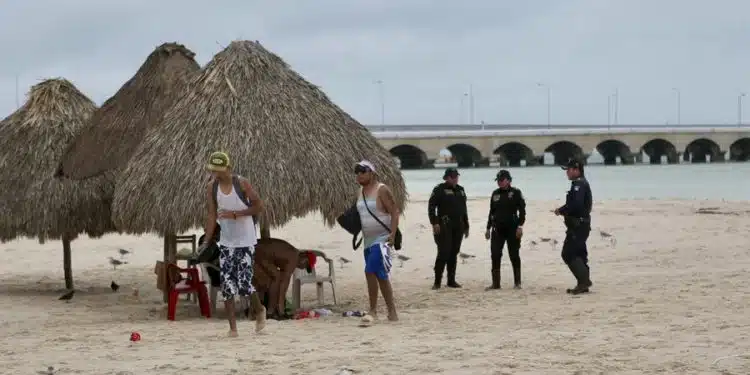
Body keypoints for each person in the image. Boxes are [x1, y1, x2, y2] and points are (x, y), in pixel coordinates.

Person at [202, 151, 266, 337]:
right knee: (227, 285)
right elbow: (212, 214)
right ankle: (233, 328)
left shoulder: (242, 183)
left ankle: (259, 309)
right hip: (227, 241)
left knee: (244, 283)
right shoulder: (211, 187)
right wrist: (207, 240)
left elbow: (258, 206)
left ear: (228, 168)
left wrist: (236, 214)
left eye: (219, 170)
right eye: (213, 170)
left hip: (246, 240)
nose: (216, 174)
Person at [354, 160, 399, 321]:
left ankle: (373, 310)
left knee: (369, 271)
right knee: (380, 275)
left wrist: (392, 235)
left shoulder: (382, 189)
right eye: (357, 172)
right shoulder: (359, 192)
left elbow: (394, 211)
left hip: (381, 239)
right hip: (367, 240)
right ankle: (392, 311)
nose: (359, 174)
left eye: (363, 171)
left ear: (372, 173)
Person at [554, 158, 593, 295]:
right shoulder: (580, 183)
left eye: (569, 170)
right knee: (579, 253)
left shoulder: (579, 184)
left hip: (578, 225)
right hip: (581, 224)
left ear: (576, 170)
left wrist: (562, 210)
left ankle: (584, 282)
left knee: (568, 253)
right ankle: (583, 283)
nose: (567, 173)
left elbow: (575, 205)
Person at [252, 238, 314, 320]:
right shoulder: (293, 257)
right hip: (260, 251)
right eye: (306, 264)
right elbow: (284, 285)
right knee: (276, 277)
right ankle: (272, 311)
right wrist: (281, 310)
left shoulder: (292, 254)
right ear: (303, 256)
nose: (303, 268)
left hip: (259, 249)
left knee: (276, 277)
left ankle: (271, 310)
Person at [484, 170, 526, 290]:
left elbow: (522, 211)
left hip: (512, 229)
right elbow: (491, 212)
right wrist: (488, 228)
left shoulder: (516, 192)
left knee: (514, 255)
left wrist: (520, 226)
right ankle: (496, 284)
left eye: (502, 180)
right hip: (497, 229)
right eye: (498, 180)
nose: (499, 182)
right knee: (495, 255)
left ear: (508, 180)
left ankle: (517, 282)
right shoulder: (495, 194)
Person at [428, 167, 469, 289]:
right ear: (446, 177)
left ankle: (451, 280)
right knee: (443, 252)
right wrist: (434, 223)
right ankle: (437, 282)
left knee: (454, 252)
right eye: (452, 176)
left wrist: (466, 225)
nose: (455, 178)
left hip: (459, 225)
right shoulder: (439, 189)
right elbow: (431, 207)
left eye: (456, 176)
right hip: (444, 225)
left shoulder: (461, 190)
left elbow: (464, 209)